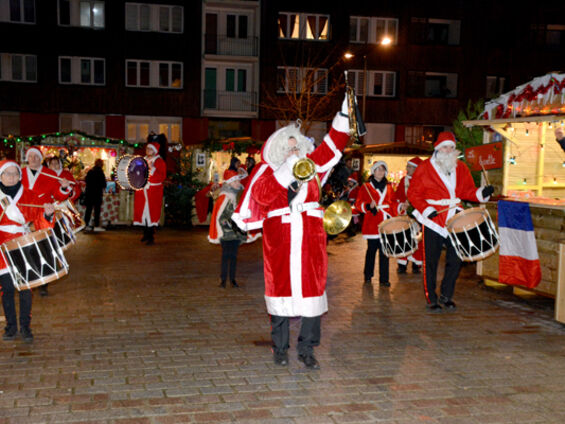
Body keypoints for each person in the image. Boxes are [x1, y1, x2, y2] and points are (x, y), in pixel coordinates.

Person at [231, 94, 351, 370]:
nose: (293, 151)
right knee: (280, 294)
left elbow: (333, 146)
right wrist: (287, 171)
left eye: (297, 146)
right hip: (280, 238)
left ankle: (307, 349)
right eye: (288, 147)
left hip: (310, 236)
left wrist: (344, 115)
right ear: (277, 151)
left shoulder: (313, 169)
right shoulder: (267, 172)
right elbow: (261, 196)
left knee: (312, 294)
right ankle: (280, 347)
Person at [407, 131, 494, 312]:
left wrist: (481, 193)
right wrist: (426, 209)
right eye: (445, 147)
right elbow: (413, 193)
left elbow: (467, 190)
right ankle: (431, 297)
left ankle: (447, 295)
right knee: (430, 260)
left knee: (456, 259)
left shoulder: (460, 167)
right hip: (433, 219)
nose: (448, 150)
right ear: (438, 149)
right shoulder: (424, 168)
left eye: (451, 147)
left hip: (455, 218)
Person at [0, 160, 55, 343]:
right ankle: (10, 327)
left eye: (15, 173)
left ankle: (25, 327)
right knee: (6, 289)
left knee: (25, 290)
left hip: (23, 245)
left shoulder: (30, 196)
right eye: (7, 174)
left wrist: (47, 214)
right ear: (1, 176)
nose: (12, 177)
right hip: (1, 249)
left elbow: (41, 223)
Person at [21, 147, 72, 297]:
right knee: (27, 249)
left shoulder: (49, 173)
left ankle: (44, 283)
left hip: (44, 215)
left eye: (36, 156)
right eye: (30, 156)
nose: (33, 159)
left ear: (40, 158)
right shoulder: (20, 173)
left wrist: (63, 187)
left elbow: (59, 195)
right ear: (27, 158)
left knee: (44, 249)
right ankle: (28, 279)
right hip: (24, 215)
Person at [355, 161, 397, 287]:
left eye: (382, 169)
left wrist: (399, 209)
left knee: (385, 252)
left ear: (385, 172)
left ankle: (384, 279)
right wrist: (368, 206)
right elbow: (358, 204)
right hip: (372, 223)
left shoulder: (389, 187)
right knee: (371, 251)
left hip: (385, 223)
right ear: (373, 171)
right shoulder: (366, 187)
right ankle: (368, 275)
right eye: (377, 169)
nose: (380, 172)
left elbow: (393, 203)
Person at [208, 169, 248, 288]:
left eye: (238, 180)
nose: (238, 183)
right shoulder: (225, 196)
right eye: (235, 181)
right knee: (226, 256)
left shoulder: (238, 194)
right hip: (226, 233)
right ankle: (223, 279)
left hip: (235, 232)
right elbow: (219, 216)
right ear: (229, 183)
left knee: (234, 257)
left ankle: (233, 279)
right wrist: (226, 227)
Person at [393, 157, 423, 274]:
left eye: (411, 167)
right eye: (408, 167)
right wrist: (401, 205)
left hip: (418, 215)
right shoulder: (403, 181)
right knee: (403, 239)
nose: (408, 169)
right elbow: (397, 196)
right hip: (405, 214)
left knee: (417, 239)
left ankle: (416, 263)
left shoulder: (422, 181)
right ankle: (402, 264)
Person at [133, 141, 166, 245]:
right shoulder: (143, 160)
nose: (148, 151)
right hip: (143, 191)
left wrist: (152, 170)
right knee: (144, 213)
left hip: (153, 192)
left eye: (150, 149)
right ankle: (145, 234)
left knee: (151, 213)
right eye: (147, 149)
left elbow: (162, 176)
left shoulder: (159, 161)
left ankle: (151, 236)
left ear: (155, 151)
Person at [83, 159, 107, 232]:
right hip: (97, 194)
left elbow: (86, 180)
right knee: (97, 211)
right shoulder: (101, 172)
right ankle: (96, 225)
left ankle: (86, 224)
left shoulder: (90, 171)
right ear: (101, 164)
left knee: (88, 210)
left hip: (89, 194)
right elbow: (104, 184)